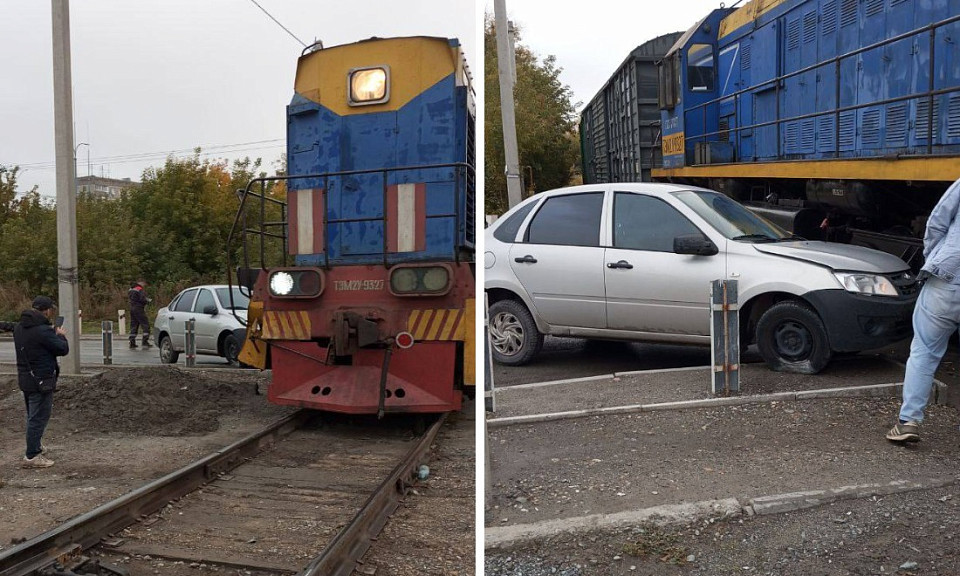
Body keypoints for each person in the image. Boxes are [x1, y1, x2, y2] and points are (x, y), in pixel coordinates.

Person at [887, 177, 960, 443]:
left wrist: (934, 259)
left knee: (925, 351)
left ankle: (909, 422)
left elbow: (937, 220)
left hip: (948, 278)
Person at [14, 296, 68, 468]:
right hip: (41, 380)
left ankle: (35, 446)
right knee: (38, 418)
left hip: (26, 379)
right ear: (46, 310)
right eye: (51, 309)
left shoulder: (19, 328)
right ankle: (32, 455)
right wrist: (61, 336)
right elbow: (62, 349)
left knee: (32, 416)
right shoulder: (43, 331)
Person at [128, 279, 152, 349]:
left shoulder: (131, 289)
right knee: (145, 324)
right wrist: (148, 301)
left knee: (133, 325)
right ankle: (145, 342)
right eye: (144, 284)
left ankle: (132, 342)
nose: (144, 285)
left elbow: (131, 298)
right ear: (141, 283)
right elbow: (142, 299)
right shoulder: (139, 289)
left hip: (132, 308)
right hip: (139, 308)